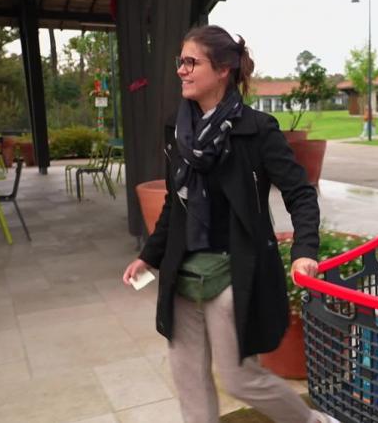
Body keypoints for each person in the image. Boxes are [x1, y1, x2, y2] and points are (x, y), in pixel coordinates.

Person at [122, 25, 337, 423]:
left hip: (234, 273)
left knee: (241, 380)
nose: (181, 71)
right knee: (188, 380)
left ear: (222, 70)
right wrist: (148, 257)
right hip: (182, 273)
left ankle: (314, 421)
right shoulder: (177, 130)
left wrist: (305, 251)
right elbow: (176, 201)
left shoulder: (257, 130)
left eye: (191, 62)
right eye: (180, 62)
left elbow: (300, 193)